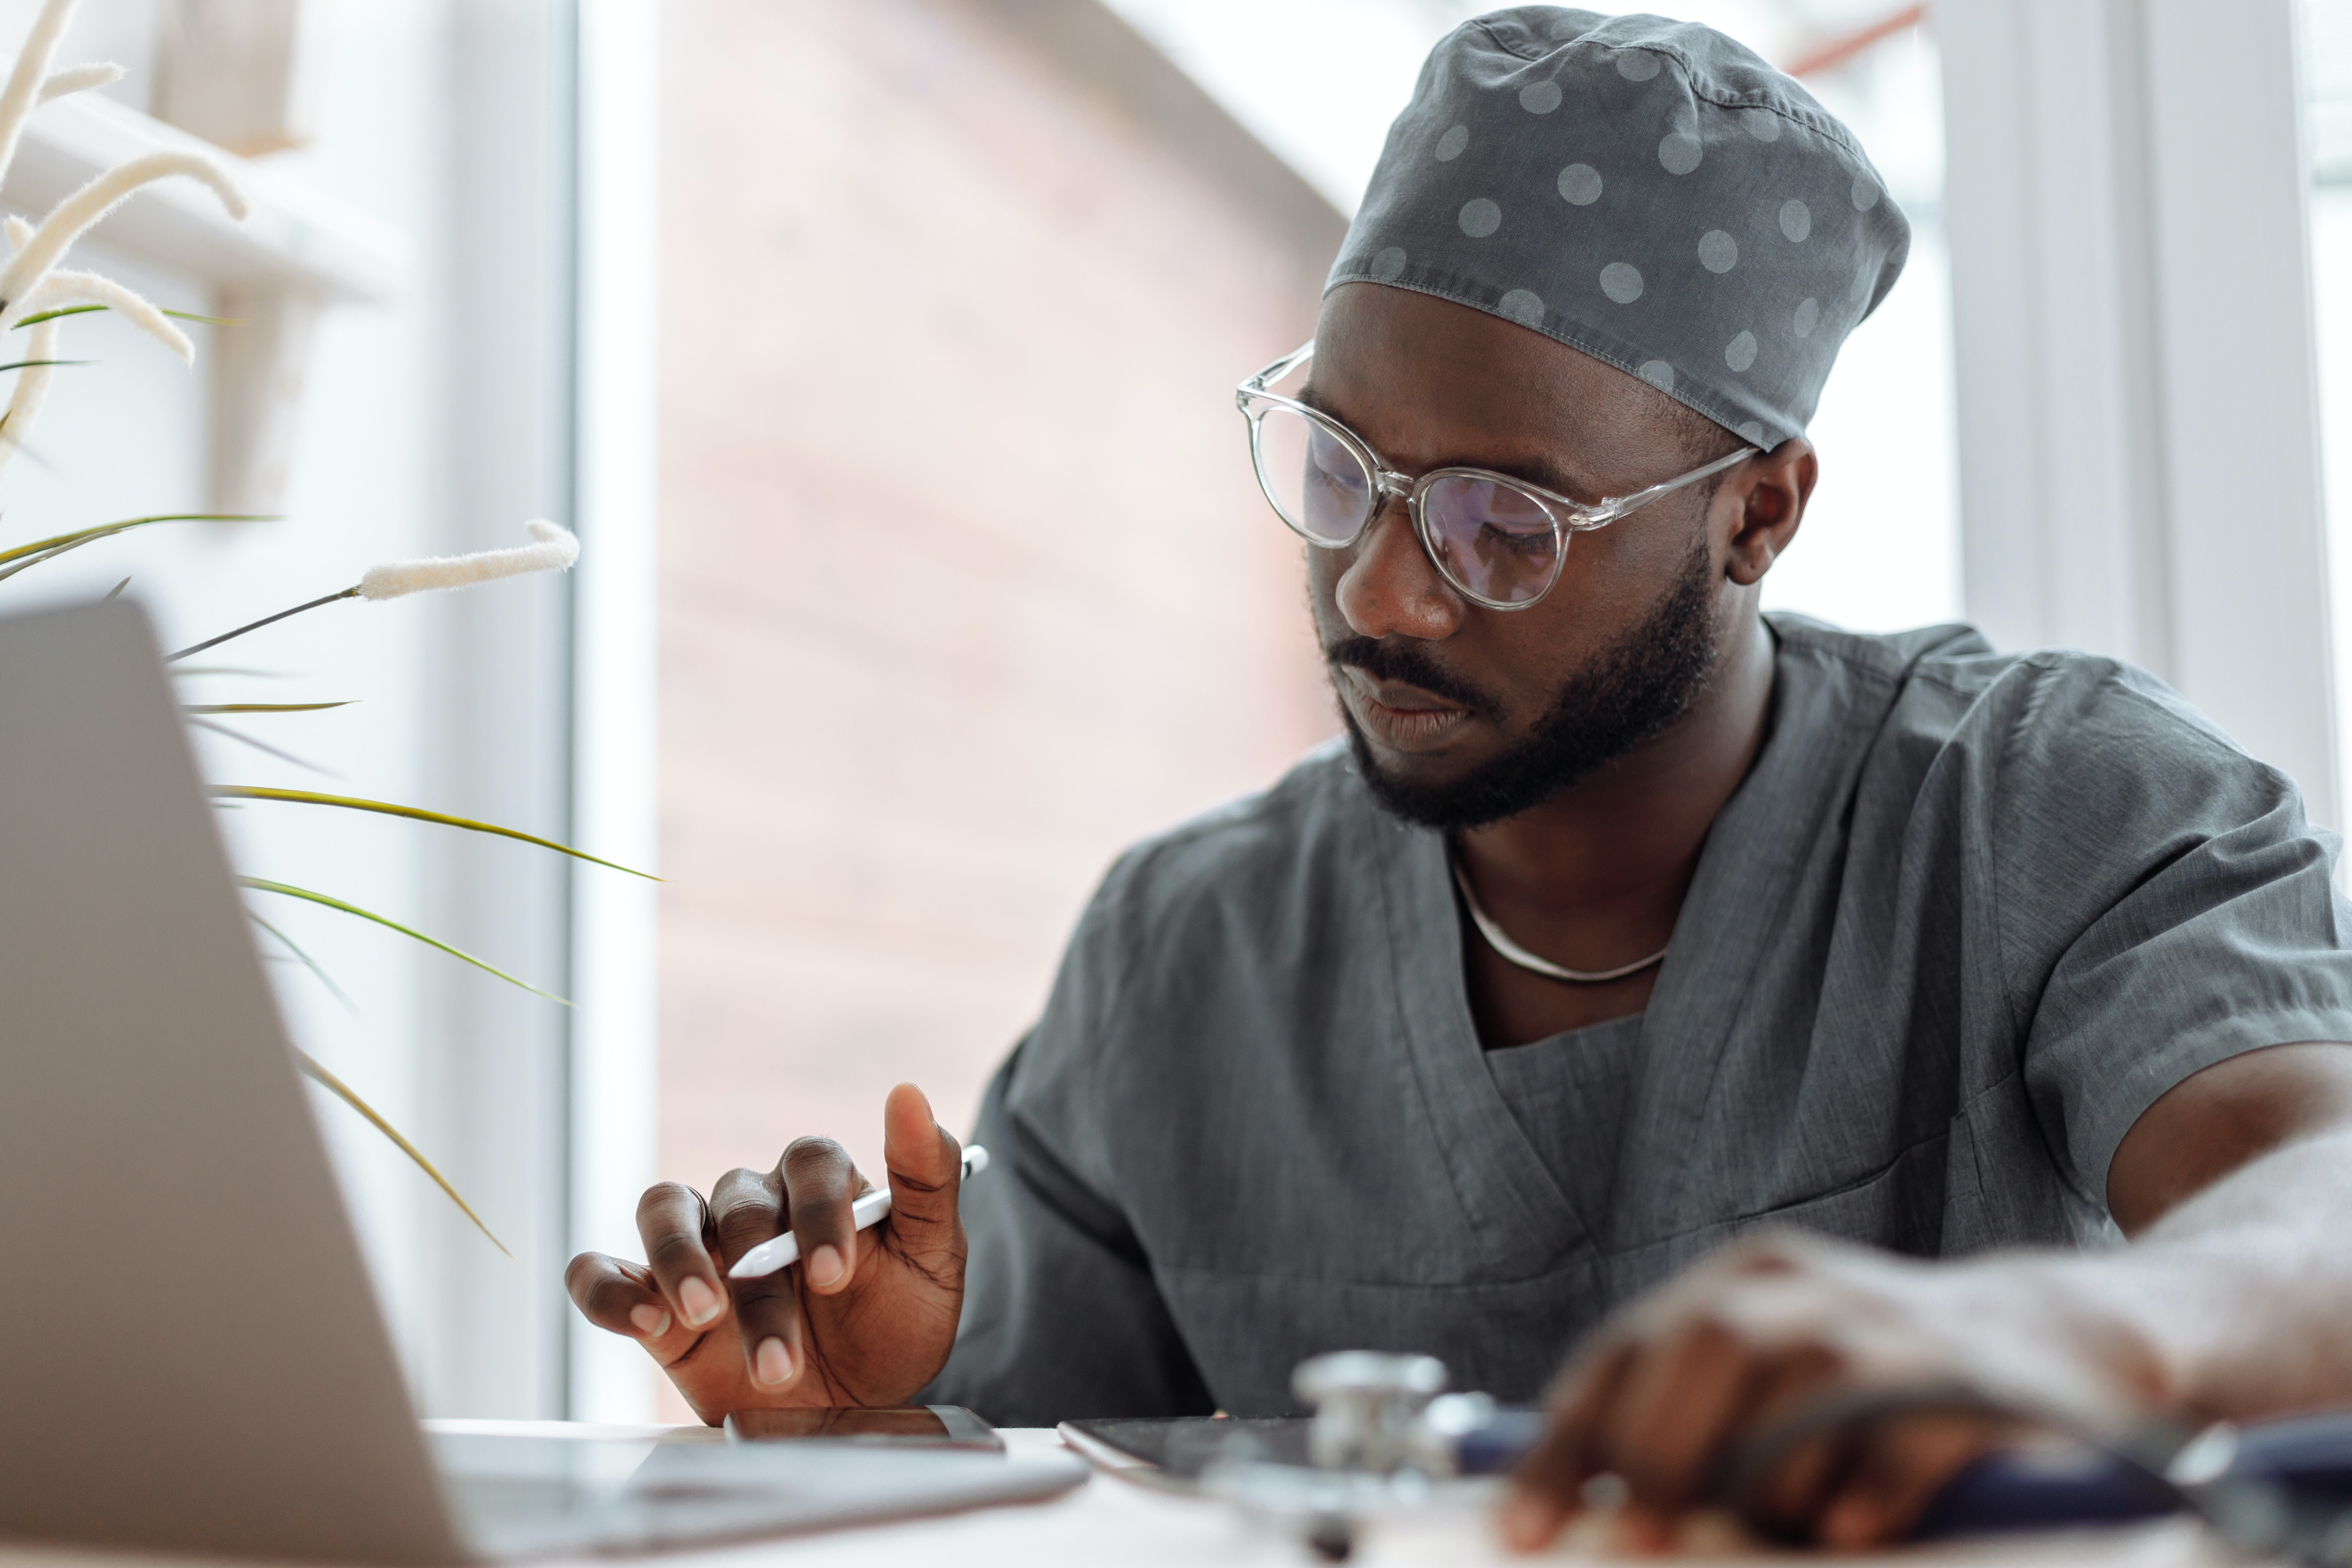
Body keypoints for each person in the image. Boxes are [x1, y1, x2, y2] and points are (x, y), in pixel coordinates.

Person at [567, 6, 2352, 1550]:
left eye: (1508, 522)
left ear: (1759, 513)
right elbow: (1042, 1469)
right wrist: (874, 1407)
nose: (1381, 591)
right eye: (1341, 468)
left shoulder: (2053, 809)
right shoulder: (1192, 956)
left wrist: (2081, 1340)